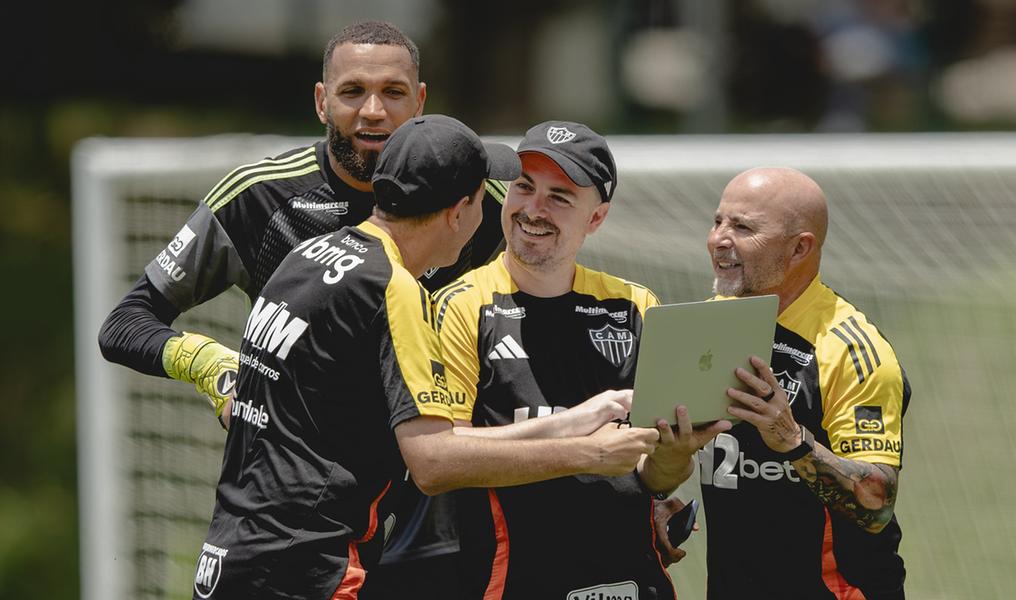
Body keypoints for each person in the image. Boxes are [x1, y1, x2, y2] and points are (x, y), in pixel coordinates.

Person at [192, 114, 662, 599]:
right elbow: (434, 461)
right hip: (308, 568)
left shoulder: (310, 255)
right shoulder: (395, 290)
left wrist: (573, 421)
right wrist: (590, 452)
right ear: (459, 213)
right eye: (486, 197)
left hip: (231, 554)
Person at [97, 20, 507, 426]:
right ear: (321, 101)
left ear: (419, 102)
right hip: (298, 462)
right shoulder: (258, 197)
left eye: (393, 92)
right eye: (353, 91)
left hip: (433, 455)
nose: (373, 111)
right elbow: (127, 321)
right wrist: (215, 368)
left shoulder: (477, 198)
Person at [434, 121, 729, 600]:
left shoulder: (635, 306)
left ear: (596, 218)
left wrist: (675, 455)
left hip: (628, 580)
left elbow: (654, 475)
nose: (533, 209)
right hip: (507, 581)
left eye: (559, 197)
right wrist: (581, 438)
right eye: (524, 187)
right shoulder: (461, 305)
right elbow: (444, 456)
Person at [690, 167, 910, 599]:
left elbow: (877, 504)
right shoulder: (710, 322)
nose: (719, 239)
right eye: (718, 221)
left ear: (799, 248)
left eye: (743, 227)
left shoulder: (850, 349)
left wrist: (792, 441)